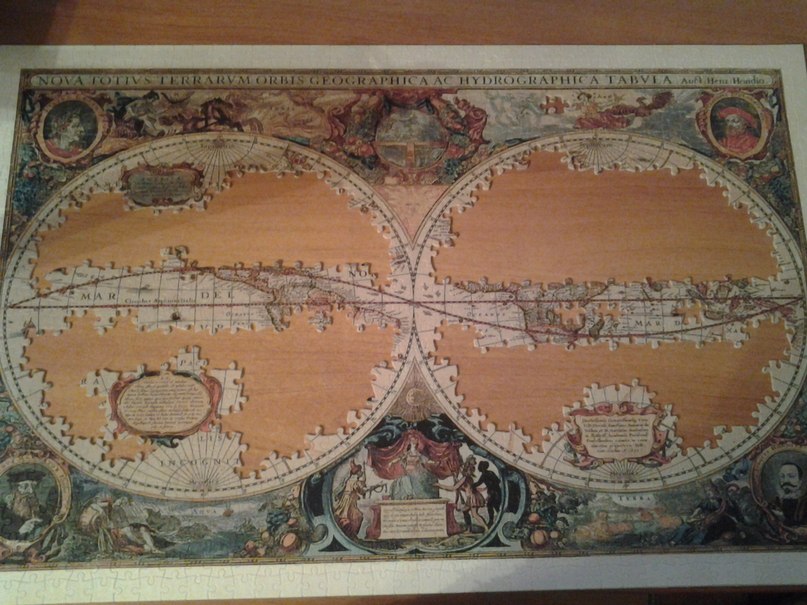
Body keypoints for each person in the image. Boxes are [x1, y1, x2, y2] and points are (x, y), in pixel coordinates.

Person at [0, 468, 55, 541]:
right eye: (25, 486)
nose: (31, 491)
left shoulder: (45, 514)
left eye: (33, 486)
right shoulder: (2, 512)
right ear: (15, 489)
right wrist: (20, 532)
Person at [333, 460, 367, 537]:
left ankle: (349, 532)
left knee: (348, 516)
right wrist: (364, 491)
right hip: (349, 501)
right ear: (357, 472)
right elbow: (360, 490)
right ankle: (351, 533)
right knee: (356, 516)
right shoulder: (354, 481)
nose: (361, 472)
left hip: (347, 499)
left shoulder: (350, 480)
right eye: (360, 471)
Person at [772, 461, 807, 526]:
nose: (786, 480)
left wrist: (783, 519)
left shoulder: (805, 503)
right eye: (782, 476)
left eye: (791, 476)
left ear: (800, 482)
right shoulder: (775, 502)